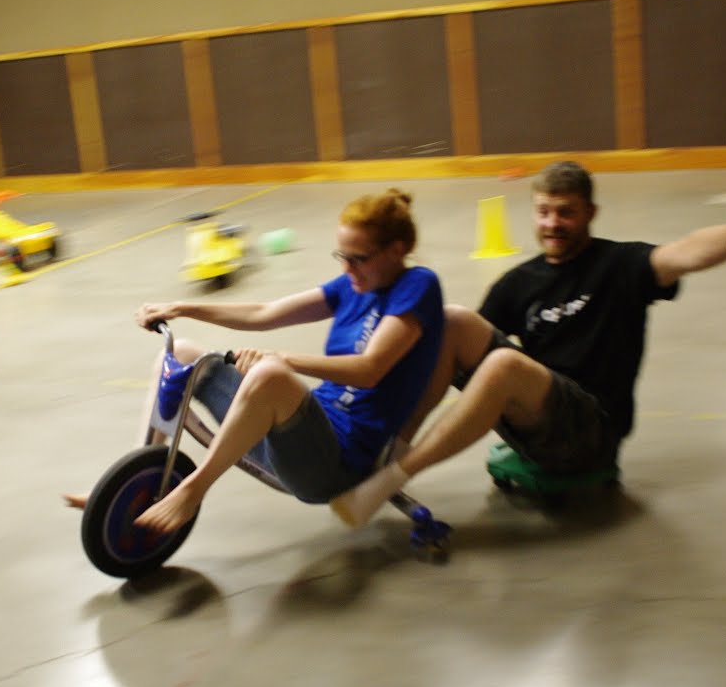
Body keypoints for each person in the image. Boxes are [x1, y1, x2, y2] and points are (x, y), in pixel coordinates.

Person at [329, 160, 726, 526]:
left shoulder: (621, 265)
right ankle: (391, 450)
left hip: (591, 432)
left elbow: (686, 253)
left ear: (590, 213)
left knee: (502, 367)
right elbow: (446, 354)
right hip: (536, 424)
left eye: (566, 213)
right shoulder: (519, 283)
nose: (553, 224)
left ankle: (391, 480)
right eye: (543, 212)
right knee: (453, 321)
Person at [65, 188, 445, 535]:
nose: (347, 269)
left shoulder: (417, 285)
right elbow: (265, 313)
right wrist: (182, 307)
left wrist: (282, 359)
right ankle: (135, 481)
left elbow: (371, 370)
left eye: (358, 259)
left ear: (396, 250)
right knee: (181, 353)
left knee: (271, 375)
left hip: (336, 465)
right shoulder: (353, 284)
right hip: (293, 442)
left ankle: (192, 491)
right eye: (342, 257)